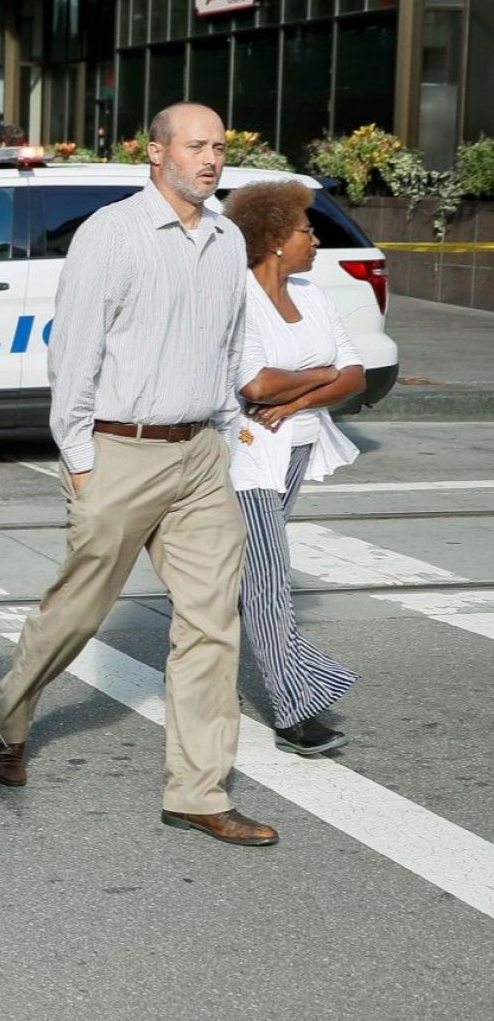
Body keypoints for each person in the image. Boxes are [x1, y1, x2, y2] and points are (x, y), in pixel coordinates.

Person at [0, 103, 278, 846]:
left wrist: (223, 439)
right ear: (157, 153)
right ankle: (8, 716)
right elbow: (73, 357)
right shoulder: (109, 234)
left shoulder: (227, 236)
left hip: (201, 456)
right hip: (120, 452)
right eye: (197, 146)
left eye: (219, 147)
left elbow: (228, 345)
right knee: (77, 612)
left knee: (213, 621)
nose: (211, 159)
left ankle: (197, 789)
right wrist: (81, 464)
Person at [222, 181, 365, 754]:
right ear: (276, 239)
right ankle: (294, 706)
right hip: (250, 454)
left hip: (298, 444)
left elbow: (354, 374)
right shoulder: (240, 298)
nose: (316, 237)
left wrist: (302, 397)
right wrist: (322, 374)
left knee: (242, 578)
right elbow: (254, 384)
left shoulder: (313, 295)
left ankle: (202, 667)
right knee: (267, 579)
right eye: (307, 229)